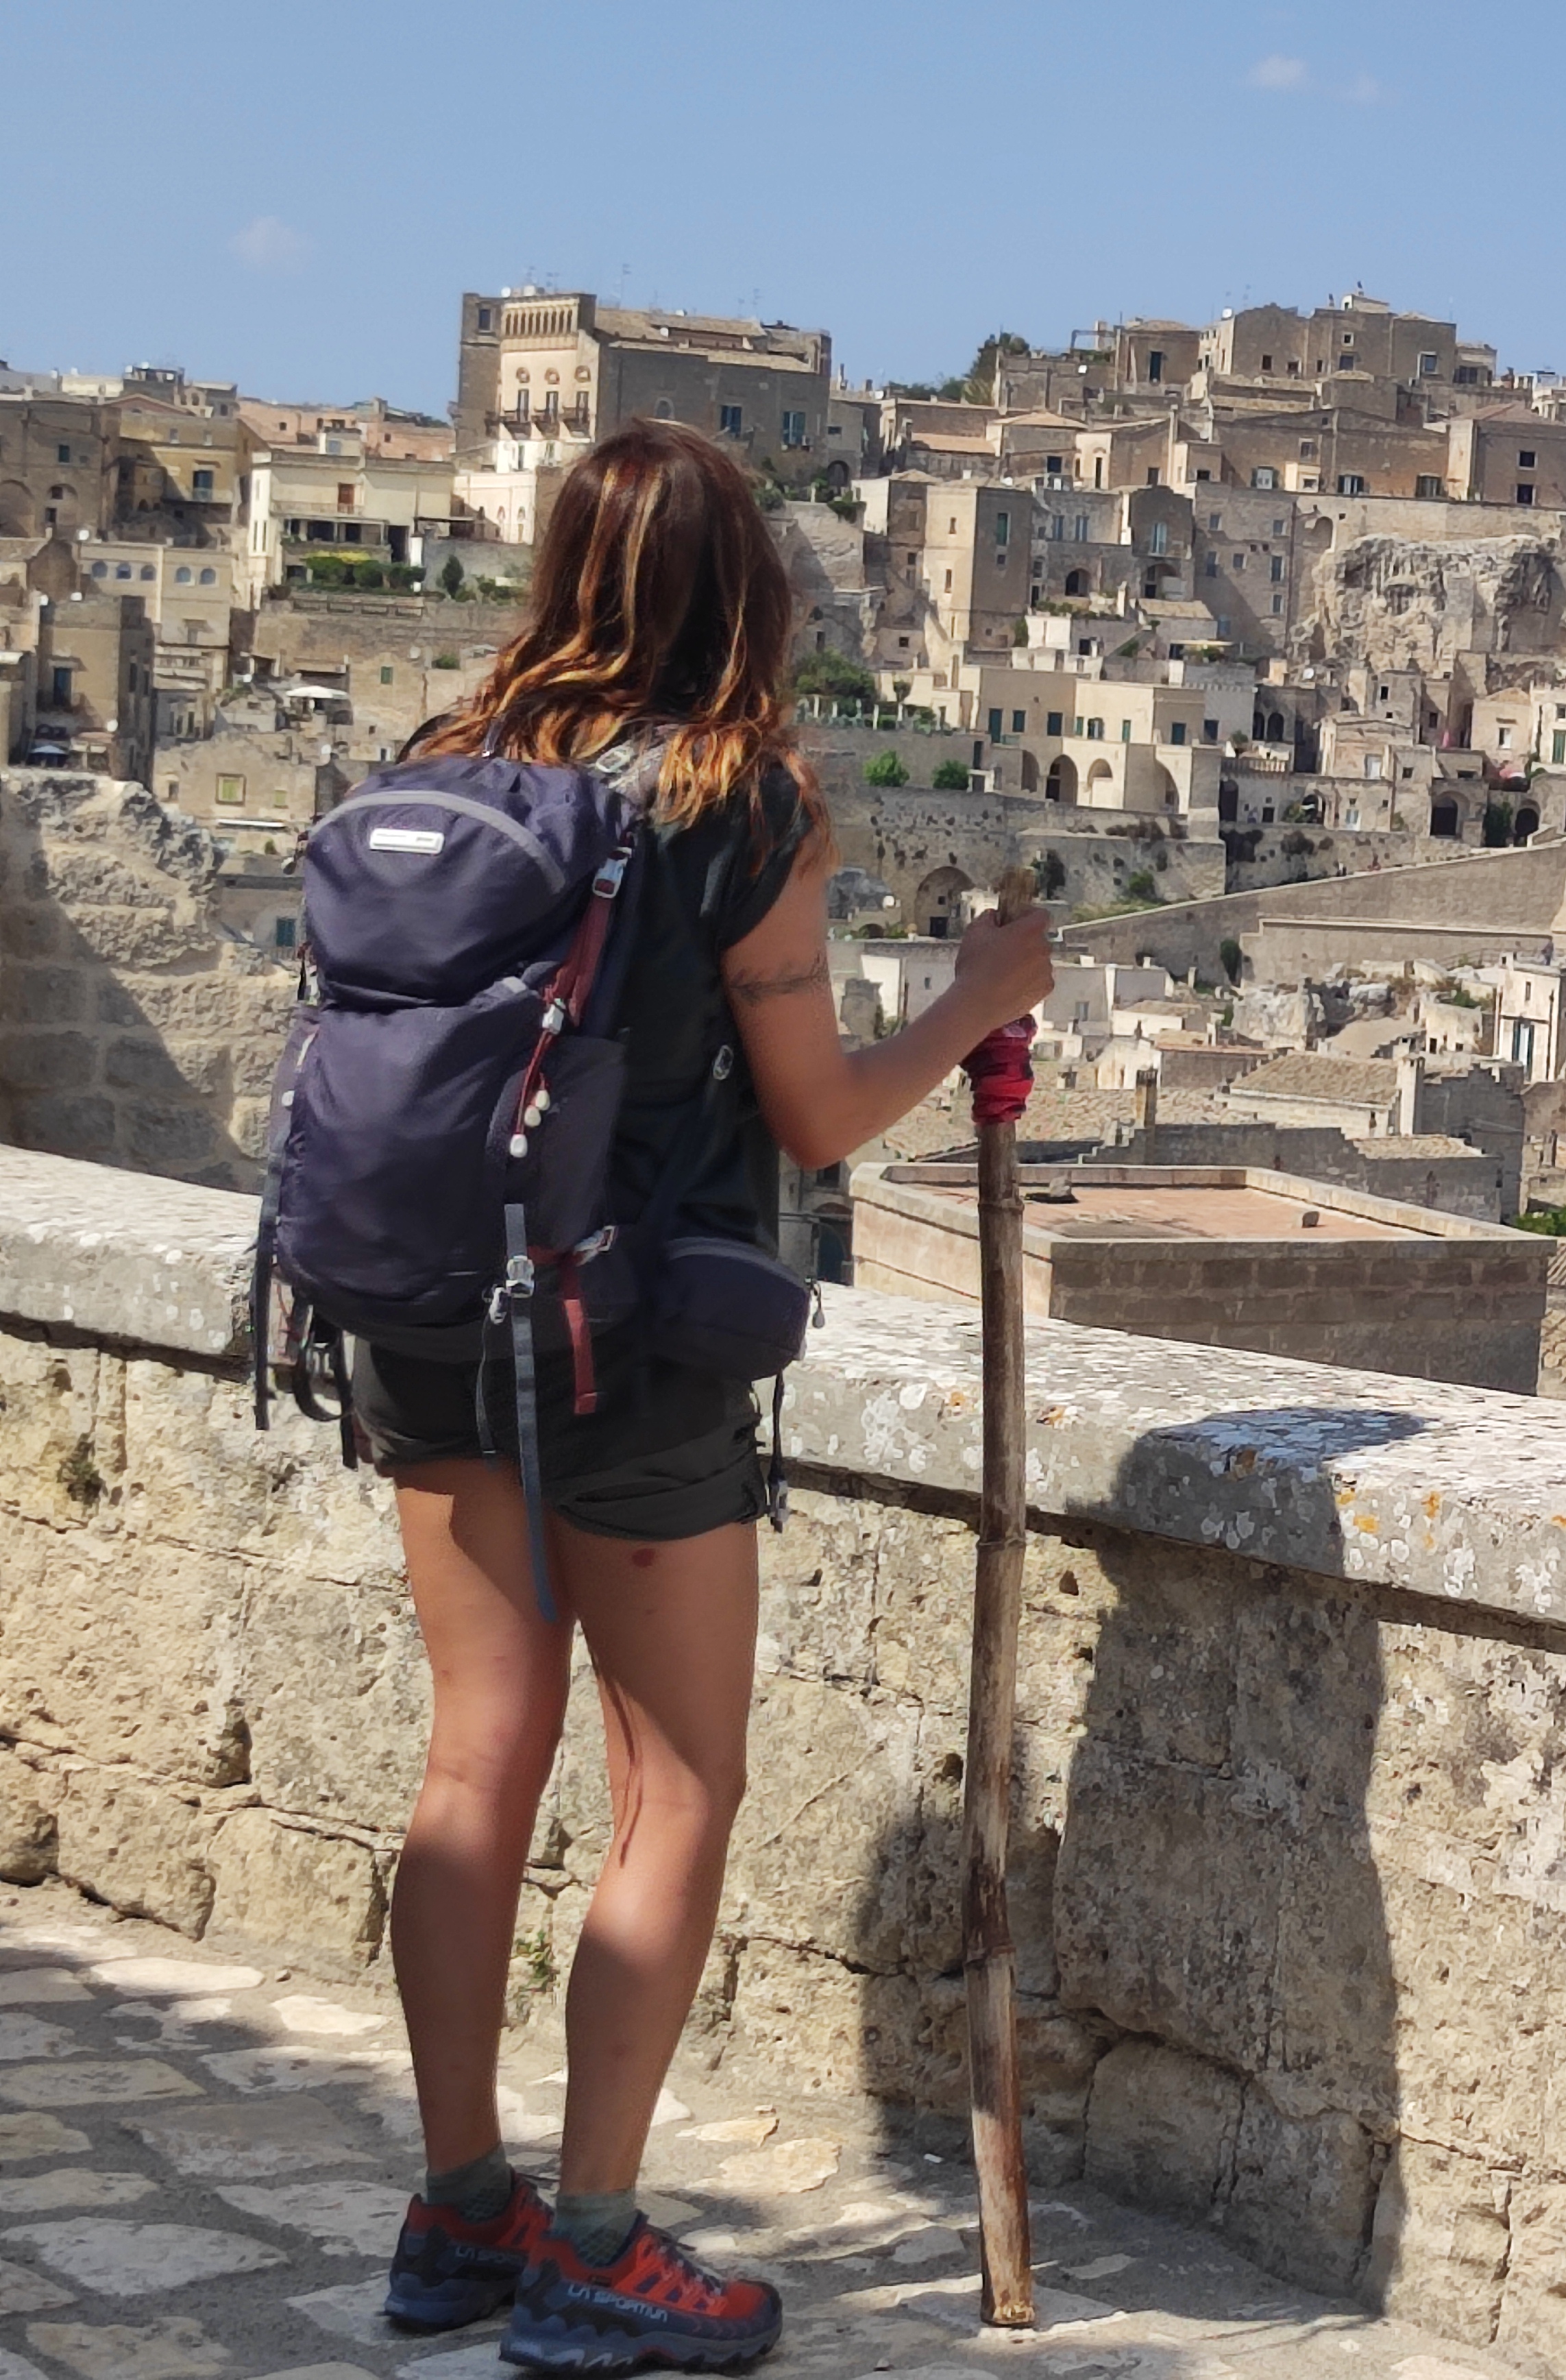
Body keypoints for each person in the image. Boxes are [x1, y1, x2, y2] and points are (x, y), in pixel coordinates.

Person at [362, 420, 1051, 2370]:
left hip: (426, 1322)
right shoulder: (740, 799)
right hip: (635, 1342)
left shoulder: (443, 761)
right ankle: (594, 2243)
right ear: (739, 591)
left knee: (469, 1758)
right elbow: (821, 1121)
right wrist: (983, 998)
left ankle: (454, 2212)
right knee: (677, 1785)